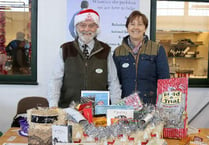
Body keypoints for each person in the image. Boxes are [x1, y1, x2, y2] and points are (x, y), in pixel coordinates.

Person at [48, 8, 121, 108]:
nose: (87, 29)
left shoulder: (105, 50)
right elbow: (55, 80)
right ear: (76, 27)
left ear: (97, 28)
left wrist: (116, 107)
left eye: (91, 25)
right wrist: (53, 105)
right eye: (82, 25)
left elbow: (113, 81)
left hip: (98, 111)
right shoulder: (65, 49)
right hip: (69, 109)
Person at [113, 10, 170, 104]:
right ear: (127, 28)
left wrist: (163, 105)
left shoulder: (157, 49)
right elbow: (115, 81)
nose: (136, 27)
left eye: (140, 24)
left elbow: (164, 80)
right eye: (132, 24)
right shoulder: (118, 52)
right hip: (125, 104)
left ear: (145, 28)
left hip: (150, 104)